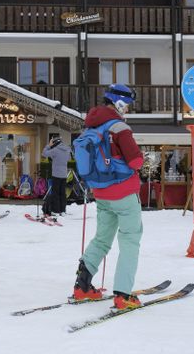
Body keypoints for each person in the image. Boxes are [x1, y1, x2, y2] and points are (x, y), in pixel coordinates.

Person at [73, 84, 145, 310]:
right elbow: (134, 161)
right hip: (123, 192)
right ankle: (123, 294)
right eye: (128, 104)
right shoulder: (119, 127)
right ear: (119, 102)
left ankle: (82, 286)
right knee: (130, 240)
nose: (129, 110)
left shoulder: (91, 127)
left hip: (101, 193)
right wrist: (142, 159)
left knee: (102, 239)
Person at [42, 136, 71, 216]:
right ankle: (63, 210)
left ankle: (56, 210)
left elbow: (44, 153)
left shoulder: (55, 150)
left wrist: (49, 145)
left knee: (56, 193)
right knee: (62, 193)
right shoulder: (67, 149)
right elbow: (68, 159)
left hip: (56, 175)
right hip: (64, 175)